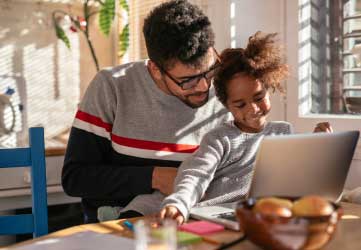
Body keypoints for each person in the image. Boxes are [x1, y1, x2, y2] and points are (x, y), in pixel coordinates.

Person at [61, 0, 230, 223]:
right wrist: (156, 177)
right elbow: (76, 178)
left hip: (198, 223)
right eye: (187, 80)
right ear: (155, 70)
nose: (203, 87)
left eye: (209, 71)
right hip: (121, 227)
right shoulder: (112, 87)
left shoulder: (225, 89)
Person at [159, 32, 333, 224]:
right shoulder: (219, 139)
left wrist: (320, 146)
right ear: (227, 105)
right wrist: (178, 204)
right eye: (240, 104)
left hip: (268, 213)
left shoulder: (283, 132)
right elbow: (195, 174)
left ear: (269, 87)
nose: (253, 109)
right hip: (219, 216)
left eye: (259, 98)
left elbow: (303, 177)